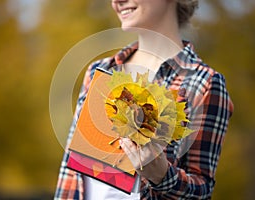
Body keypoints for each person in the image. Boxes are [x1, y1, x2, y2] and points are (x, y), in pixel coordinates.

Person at [54, 0, 234, 199]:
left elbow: (201, 191)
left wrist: (162, 176)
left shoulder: (204, 83)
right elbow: (70, 178)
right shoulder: (101, 71)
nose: (117, 1)